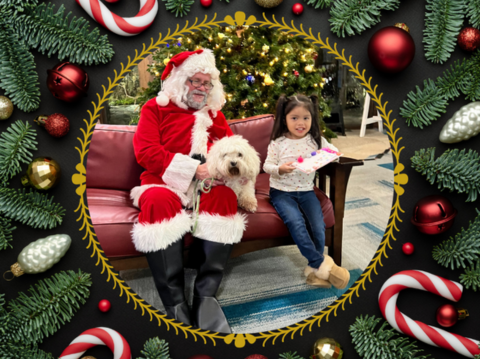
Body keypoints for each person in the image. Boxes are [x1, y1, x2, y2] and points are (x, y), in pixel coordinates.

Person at [130, 49, 246, 333]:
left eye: (207, 83)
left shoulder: (213, 115)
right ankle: (175, 304)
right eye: (196, 81)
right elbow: (145, 152)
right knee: (158, 201)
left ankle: (206, 297)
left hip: (206, 184)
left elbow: (230, 151)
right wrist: (193, 169)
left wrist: (217, 172)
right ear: (181, 81)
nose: (202, 88)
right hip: (162, 180)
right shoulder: (154, 108)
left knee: (224, 197)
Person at [263, 94, 350, 289]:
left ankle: (313, 270)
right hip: (281, 191)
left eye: (306, 118)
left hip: (306, 191)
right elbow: (267, 165)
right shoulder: (278, 142)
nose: (300, 123)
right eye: (294, 118)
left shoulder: (315, 140)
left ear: (312, 119)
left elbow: (334, 152)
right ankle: (321, 264)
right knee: (296, 222)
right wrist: (279, 169)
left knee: (318, 226)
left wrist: (327, 157)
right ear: (284, 119)